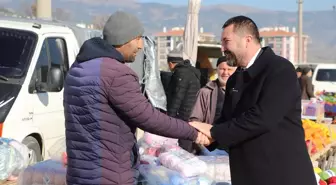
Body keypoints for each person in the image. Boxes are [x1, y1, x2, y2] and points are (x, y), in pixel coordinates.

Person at [63, 11, 210, 185]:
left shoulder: (77, 69)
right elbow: (150, 119)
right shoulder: (116, 73)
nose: (140, 46)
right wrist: (193, 132)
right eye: (138, 38)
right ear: (123, 38)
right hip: (109, 176)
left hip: (79, 174)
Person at [189, 15, 316, 185]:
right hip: (246, 173)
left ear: (247, 40)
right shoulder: (235, 79)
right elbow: (228, 120)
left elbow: (262, 118)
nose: (223, 48)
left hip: (281, 174)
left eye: (226, 41)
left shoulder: (279, 69)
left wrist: (213, 132)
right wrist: (204, 136)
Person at [190, 56, 236, 156]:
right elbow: (195, 119)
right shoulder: (205, 92)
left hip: (234, 146)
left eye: (229, 69)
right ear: (217, 70)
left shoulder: (242, 92)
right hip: (212, 146)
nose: (225, 73)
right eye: (222, 69)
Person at [166, 48, 201, 152]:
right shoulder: (192, 71)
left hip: (183, 113)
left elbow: (178, 96)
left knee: (182, 142)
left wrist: (170, 118)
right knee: (187, 139)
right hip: (192, 111)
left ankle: (184, 159)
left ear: (171, 63)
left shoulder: (180, 73)